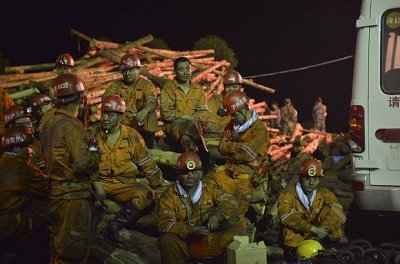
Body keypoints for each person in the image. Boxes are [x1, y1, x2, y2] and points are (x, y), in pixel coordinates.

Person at [89, 94, 168, 243]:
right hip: (101, 183)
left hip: (124, 184)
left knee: (145, 194)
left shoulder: (132, 136)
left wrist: (159, 183)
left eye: (110, 115)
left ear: (120, 117)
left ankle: (116, 224)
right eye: (104, 114)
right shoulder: (93, 137)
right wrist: (95, 183)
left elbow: (147, 163)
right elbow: (88, 165)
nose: (105, 118)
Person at [40, 73, 100, 263]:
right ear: (82, 99)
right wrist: (95, 156)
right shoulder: (72, 127)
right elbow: (82, 164)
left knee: (58, 251)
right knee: (72, 256)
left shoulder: (48, 123)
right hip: (73, 201)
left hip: (55, 197)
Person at [157, 152, 245, 264]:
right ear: (178, 174)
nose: (190, 176)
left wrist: (217, 216)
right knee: (167, 241)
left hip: (208, 241)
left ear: (200, 173)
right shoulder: (170, 195)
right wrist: (191, 231)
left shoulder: (209, 189)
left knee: (238, 232)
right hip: (185, 243)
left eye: (194, 172)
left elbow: (230, 201)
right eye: (185, 172)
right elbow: (165, 224)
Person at [202, 90, 271, 227]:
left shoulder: (259, 130)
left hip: (244, 179)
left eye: (234, 114)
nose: (232, 118)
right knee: (206, 184)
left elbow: (246, 154)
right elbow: (221, 147)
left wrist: (230, 147)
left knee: (234, 218)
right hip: (228, 171)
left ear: (245, 108)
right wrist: (237, 147)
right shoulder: (232, 126)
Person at [277, 157, 347, 261]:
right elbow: (286, 216)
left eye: (315, 179)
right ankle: (294, 252)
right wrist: (313, 229)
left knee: (332, 211)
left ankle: (326, 247)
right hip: (299, 236)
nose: (311, 182)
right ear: (300, 178)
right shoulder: (288, 194)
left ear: (319, 179)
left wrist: (323, 230)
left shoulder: (324, 193)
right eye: (307, 178)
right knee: (289, 226)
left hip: (319, 235)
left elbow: (339, 213)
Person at [0, 126, 50, 262]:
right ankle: (35, 249)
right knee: (42, 202)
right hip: (7, 225)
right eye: (28, 147)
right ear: (16, 148)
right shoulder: (22, 166)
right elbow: (49, 188)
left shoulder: (3, 161)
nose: (32, 152)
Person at [160, 56, 216, 173]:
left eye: (188, 68)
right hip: (174, 127)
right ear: (175, 71)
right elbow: (166, 114)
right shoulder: (168, 88)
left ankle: (193, 172)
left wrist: (197, 118)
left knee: (188, 141)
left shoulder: (197, 89)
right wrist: (186, 117)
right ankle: (206, 157)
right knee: (189, 124)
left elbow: (203, 112)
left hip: (194, 128)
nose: (185, 72)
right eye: (181, 69)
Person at [102, 53, 159, 149]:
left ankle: (148, 146)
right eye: (124, 71)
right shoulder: (116, 85)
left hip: (139, 122)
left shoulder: (146, 85)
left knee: (151, 115)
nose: (127, 74)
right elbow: (106, 98)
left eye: (131, 70)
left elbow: (152, 100)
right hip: (122, 121)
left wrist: (145, 110)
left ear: (138, 70)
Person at [202, 70, 243, 137]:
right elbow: (207, 125)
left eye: (234, 87)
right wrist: (229, 130)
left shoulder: (241, 103)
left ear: (240, 88)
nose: (231, 90)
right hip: (216, 138)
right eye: (228, 87)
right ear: (224, 87)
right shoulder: (214, 102)